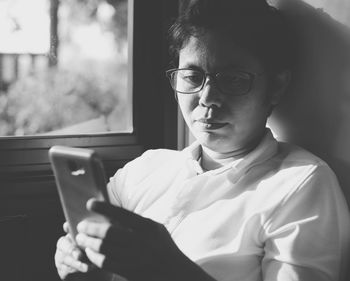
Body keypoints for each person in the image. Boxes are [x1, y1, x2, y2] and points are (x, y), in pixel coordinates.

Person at [54, 0, 350, 280]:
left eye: (233, 79)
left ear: (275, 86)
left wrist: (170, 270)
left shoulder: (301, 186)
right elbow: (89, 246)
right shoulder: (143, 170)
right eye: (192, 77)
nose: (207, 99)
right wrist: (73, 256)